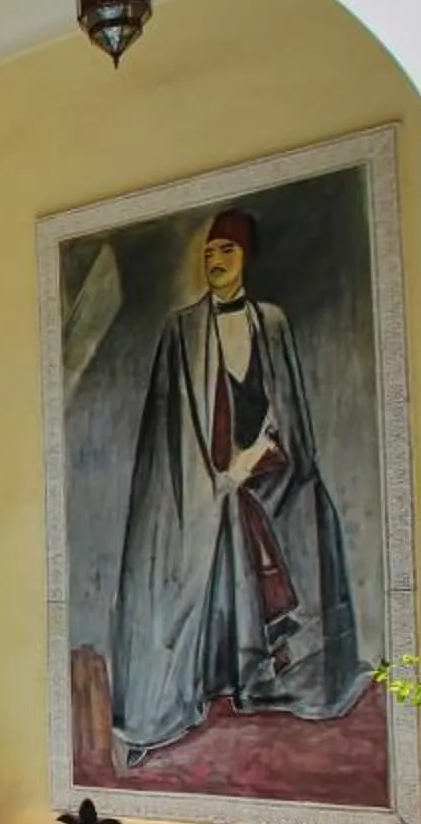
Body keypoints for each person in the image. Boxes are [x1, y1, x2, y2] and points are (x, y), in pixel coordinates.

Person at [108, 208, 363, 758]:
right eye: (208, 253)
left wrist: (259, 457)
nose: (215, 261)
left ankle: (270, 680)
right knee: (201, 555)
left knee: (301, 531)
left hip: (266, 471)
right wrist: (217, 477)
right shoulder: (183, 328)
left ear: (245, 257)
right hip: (206, 479)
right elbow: (171, 425)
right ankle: (198, 687)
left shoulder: (269, 322)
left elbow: (288, 409)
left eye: (226, 251)